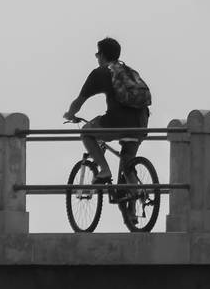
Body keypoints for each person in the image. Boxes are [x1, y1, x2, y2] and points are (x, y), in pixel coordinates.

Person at [62, 36, 150, 185]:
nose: (97, 58)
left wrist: (70, 114)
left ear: (102, 55)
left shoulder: (101, 73)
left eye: (97, 55)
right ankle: (137, 197)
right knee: (127, 166)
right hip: (141, 123)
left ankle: (104, 170)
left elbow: (79, 102)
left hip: (118, 123)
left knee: (86, 132)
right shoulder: (129, 72)